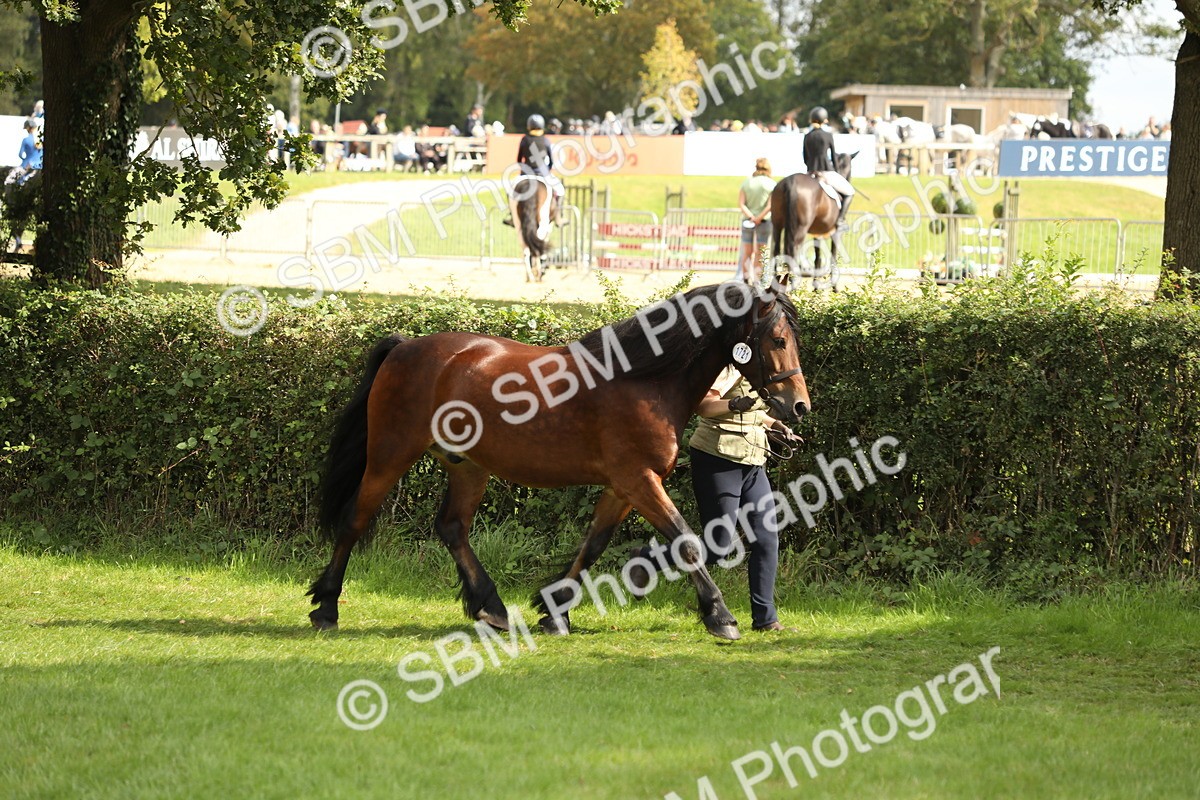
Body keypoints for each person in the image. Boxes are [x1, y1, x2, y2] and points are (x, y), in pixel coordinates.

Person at [625, 367, 801, 632]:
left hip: (753, 461)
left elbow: (753, 411)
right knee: (719, 547)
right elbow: (704, 406)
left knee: (766, 539)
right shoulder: (728, 368)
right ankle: (648, 559)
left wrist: (776, 425)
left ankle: (766, 620)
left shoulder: (757, 368)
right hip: (718, 459)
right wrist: (732, 404)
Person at [504, 113, 563, 227]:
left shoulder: (525, 140)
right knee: (560, 190)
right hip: (542, 174)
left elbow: (519, 159)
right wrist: (547, 170)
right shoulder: (546, 141)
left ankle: (512, 215)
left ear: (529, 126)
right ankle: (558, 216)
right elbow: (551, 161)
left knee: (510, 191)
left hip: (526, 174)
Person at [803, 106, 852, 228]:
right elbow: (833, 156)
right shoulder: (828, 135)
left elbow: (805, 157)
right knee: (850, 192)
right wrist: (836, 170)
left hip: (810, 172)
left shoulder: (807, 136)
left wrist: (810, 168)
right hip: (826, 171)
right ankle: (840, 220)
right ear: (824, 120)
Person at [737, 158, 775, 285]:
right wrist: (759, 217)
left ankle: (745, 279)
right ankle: (758, 281)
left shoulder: (746, 183)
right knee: (761, 253)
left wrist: (751, 217)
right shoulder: (771, 184)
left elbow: (741, 204)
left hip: (748, 221)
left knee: (747, 252)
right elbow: (770, 205)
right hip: (764, 221)